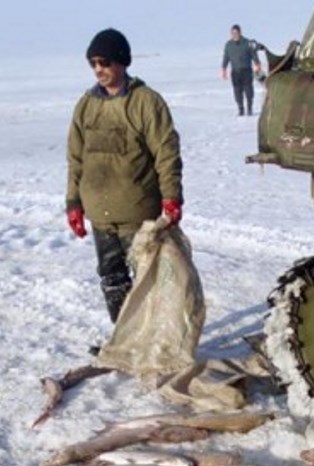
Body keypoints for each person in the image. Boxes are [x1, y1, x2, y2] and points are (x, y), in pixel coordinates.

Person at [65, 28, 184, 326]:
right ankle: (124, 339)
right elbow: (75, 158)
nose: (98, 70)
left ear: (121, 61)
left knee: (148, 280)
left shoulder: (146, 102)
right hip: (100, 213)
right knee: (111, 277)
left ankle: (153, 342)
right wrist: (73, 203)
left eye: (104, 62)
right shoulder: (86, 105)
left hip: (137, 211)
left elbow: (166, 153)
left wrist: (171, 198)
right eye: (93, 63)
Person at [220, 24, 262, 117]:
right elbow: (226, 57)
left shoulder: (247, 43)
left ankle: (250, 108)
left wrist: (257, 64)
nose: (234, 35)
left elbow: (253, 55)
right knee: (237, 91)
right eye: (232, 33)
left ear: (240, 32)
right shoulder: (228, 45)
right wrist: (224, 69)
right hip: (235, 72)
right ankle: (241, 108)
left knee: (248, 91)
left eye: (236, 32)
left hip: (246, 70)